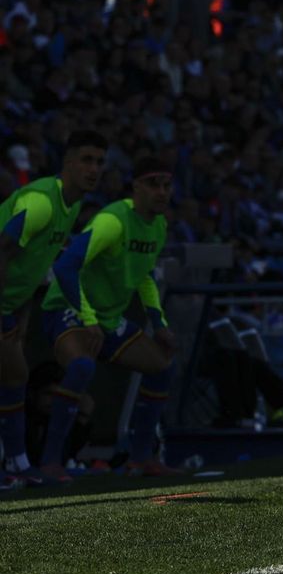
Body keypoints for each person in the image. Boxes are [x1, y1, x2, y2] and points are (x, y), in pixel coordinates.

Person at [37, 155, 183, 482]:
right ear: (136, 188)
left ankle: (141, 458)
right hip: (68, 309)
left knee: (163, 366)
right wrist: (88, 319)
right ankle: (50, 463)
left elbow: (144, 276)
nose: (161, 192)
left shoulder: (158, 224)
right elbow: (64, 267)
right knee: (81, 367)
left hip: (107, 318)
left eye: (166, 185)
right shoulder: (112, 220)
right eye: (153, 184)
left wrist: (159, 325)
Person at [0, 130, 106, 484]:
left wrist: (22, 313)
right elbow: (2, 249)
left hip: (12, 305)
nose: (94, 169)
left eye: (100, 162)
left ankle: (16, 464)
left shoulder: (71, 204)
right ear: (68, 163)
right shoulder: (42, 201)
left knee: (16, 376)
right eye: (87, 160)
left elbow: (32, 266)